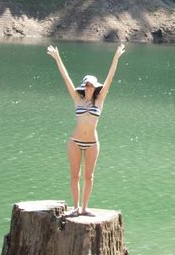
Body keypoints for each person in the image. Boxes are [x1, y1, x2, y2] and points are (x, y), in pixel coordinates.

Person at [47, 43, 125, 216]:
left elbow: (110, 79)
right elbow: (66, 78)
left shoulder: (100, 100)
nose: (89, 87)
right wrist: (58, 58)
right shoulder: (77, 99)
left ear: (95, 86)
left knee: (89, 177)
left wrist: (116, 58)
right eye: (87, 85)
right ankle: (75, 208)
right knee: (75, 176)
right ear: (84, 86)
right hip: (75, 141)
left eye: (91, 85)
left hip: (92, 143)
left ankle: (84, 208)